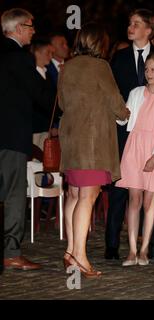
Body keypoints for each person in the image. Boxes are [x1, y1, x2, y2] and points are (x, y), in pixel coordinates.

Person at [59, 22, 130, 277]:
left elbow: (63, 102)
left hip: (71, 139)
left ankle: (70, 251)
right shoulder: (100, 66)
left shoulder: (68, 66)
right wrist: (125, 114)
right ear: (100, 43)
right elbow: (115, 100)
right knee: (88, 198)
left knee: (75, 196)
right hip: (92, 142)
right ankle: (80, 256)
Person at [106, 9, 154, 261]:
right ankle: (113, 243)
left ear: (148, 30)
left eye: (136, 24)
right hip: (124, 135)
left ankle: (150, 244)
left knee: (152, 194)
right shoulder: (117, 58)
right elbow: (111, 94)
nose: (130, 27)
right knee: (122, 191)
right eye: (129, 23)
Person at [1, 8, 53, 271]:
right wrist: (60, 105)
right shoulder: (19, 57)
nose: (34, 30)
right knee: (14, 194)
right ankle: (11, 252)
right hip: (10, 137)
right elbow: (40, 93)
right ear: (19, 28)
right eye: (31, 26)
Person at [117, 52, 154, 266]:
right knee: (134, 199)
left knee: (150, 201)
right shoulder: (136, 92)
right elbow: (124, 119)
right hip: (135, 147)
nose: (148, 73)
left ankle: (144, 249)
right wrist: (117, 110)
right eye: (146, 69)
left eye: (153, 69)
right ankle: (132, 250)